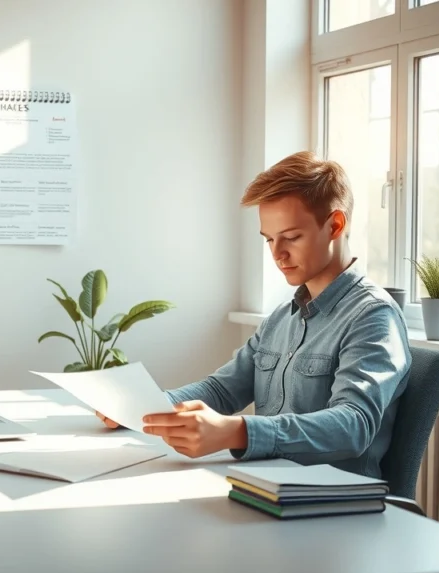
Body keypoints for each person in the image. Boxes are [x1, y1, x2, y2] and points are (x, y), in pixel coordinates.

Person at [96, 151, 411, 479]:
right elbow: (223, 390)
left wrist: (238, 432)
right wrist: (146, 408)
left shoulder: (374, 317)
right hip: (263, 488)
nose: (277, 254)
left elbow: (353, 426)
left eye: (291, 237)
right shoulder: (282, 318)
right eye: (270, 240)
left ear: (334, 225)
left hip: (328, 503)